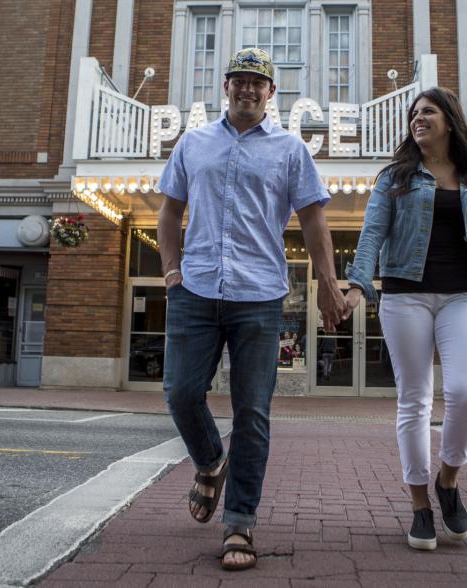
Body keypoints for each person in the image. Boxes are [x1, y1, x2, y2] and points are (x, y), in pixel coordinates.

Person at [157, 47, 345, 571]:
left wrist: (327, 283)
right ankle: (210, 461)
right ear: (225, 87)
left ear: (270, 93)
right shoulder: (193, 143)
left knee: (253, 414)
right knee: (180, 392)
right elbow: (169, 213)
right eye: (238, 80)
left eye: (257, 83)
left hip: (260, 296)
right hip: (194, 292)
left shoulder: (290, 150)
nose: (247, 89)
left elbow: (313, 221)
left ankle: (239, 521)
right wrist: (171, 273)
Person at [344, 87, 467, 551]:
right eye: (414, 114)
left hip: (463, 296)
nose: (418, 119)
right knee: (415, 399)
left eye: (428, 112)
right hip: (405, 297)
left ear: (450, 121)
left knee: (465, 392)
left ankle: (448, 480)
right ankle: (419, 504)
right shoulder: (396, 176)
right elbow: (373, 231)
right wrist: (358, 285)